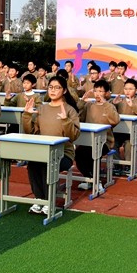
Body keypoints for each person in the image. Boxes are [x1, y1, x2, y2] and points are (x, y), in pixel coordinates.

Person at [22, 75, 80, 216]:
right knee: (33, 163)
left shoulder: (70, 110)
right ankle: (39, 198)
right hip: (43, 151)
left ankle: (49, 200)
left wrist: (65, 120)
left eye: (57, 88)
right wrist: (27, 115)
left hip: (63, 154)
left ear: (64, 90)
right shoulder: (42, 108)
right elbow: (30, 132)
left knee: (47, 164)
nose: (53, 90)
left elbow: (74, 136)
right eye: (50, 87)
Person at [75, 79, 119, 191]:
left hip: (105, 141)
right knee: (78, 154)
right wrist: (82, 102)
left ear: (106, 93)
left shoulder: (109, 106)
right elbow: (79, 118)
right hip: (88, 140)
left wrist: (105, 104)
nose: (97, 94)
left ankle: (96, 181)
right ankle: (89, 178)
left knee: (92, 153)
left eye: (100, 91)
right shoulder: (89, 105)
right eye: (95, 91)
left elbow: (115, 120)